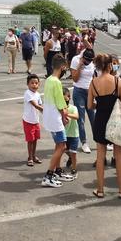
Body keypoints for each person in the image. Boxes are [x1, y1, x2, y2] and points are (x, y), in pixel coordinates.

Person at [89, 53, 121, 199]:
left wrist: (100, 104)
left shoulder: (93, 82)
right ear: (109, 65)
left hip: (100, 120)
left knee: (100, 156)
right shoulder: (117, 80)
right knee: (119, 156)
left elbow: (90, 105)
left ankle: (100, 190)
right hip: (116, 121)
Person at [40, 56, 73, 188]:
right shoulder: (57, 82)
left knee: (58, 146)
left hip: (49, 117)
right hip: (55, 119)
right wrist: (64, 115)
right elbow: (61, 103)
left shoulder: (48, 80)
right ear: (62, 67)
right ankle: (48, 175)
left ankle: (57, 171)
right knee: (62, 147)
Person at [22, 74, 43, 166]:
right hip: (28, 121)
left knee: (35, 140)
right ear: (28, 84)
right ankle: (30, 157)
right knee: (30, 140)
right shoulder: (27, 93)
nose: (34, 85)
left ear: (39, 84)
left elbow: (40, 105)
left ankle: (34, 156)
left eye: (36, 83)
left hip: (36, 121)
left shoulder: (38, 94)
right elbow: (36, 105)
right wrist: (46, 111)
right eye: (32, 83)